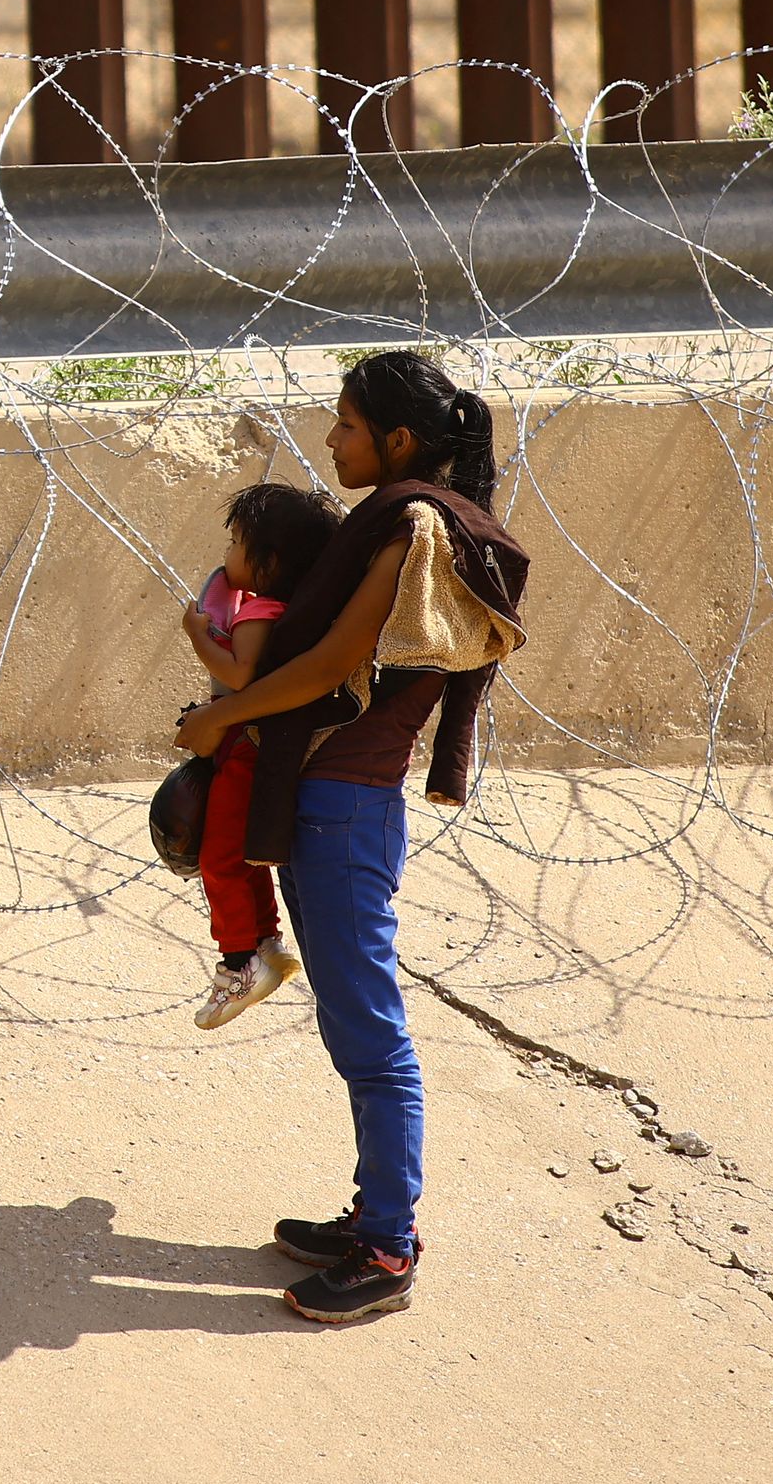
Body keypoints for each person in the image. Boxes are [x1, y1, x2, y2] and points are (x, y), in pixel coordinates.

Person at [172, 352, 528, 1325]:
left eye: (344, 424)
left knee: (370, 1034)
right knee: (350, 1023)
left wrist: (226, 713)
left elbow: (334, 660)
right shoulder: (401, 520)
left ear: (397, 441)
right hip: (331, 801)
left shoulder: (409, 528)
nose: (329, 440)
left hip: (344, 807)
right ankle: (372, 1209)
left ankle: (385, 1243)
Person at [177, 479, 344, 1031]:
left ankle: (237, 963)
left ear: (267, 563)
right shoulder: (286, 607)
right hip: (257, 746)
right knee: (240, 854)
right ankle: (267, 944)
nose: (224, 555)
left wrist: (198, 633)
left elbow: (237, 672)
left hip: (245, 746)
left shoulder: (257, 612)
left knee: (218, 858)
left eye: (234, 544)